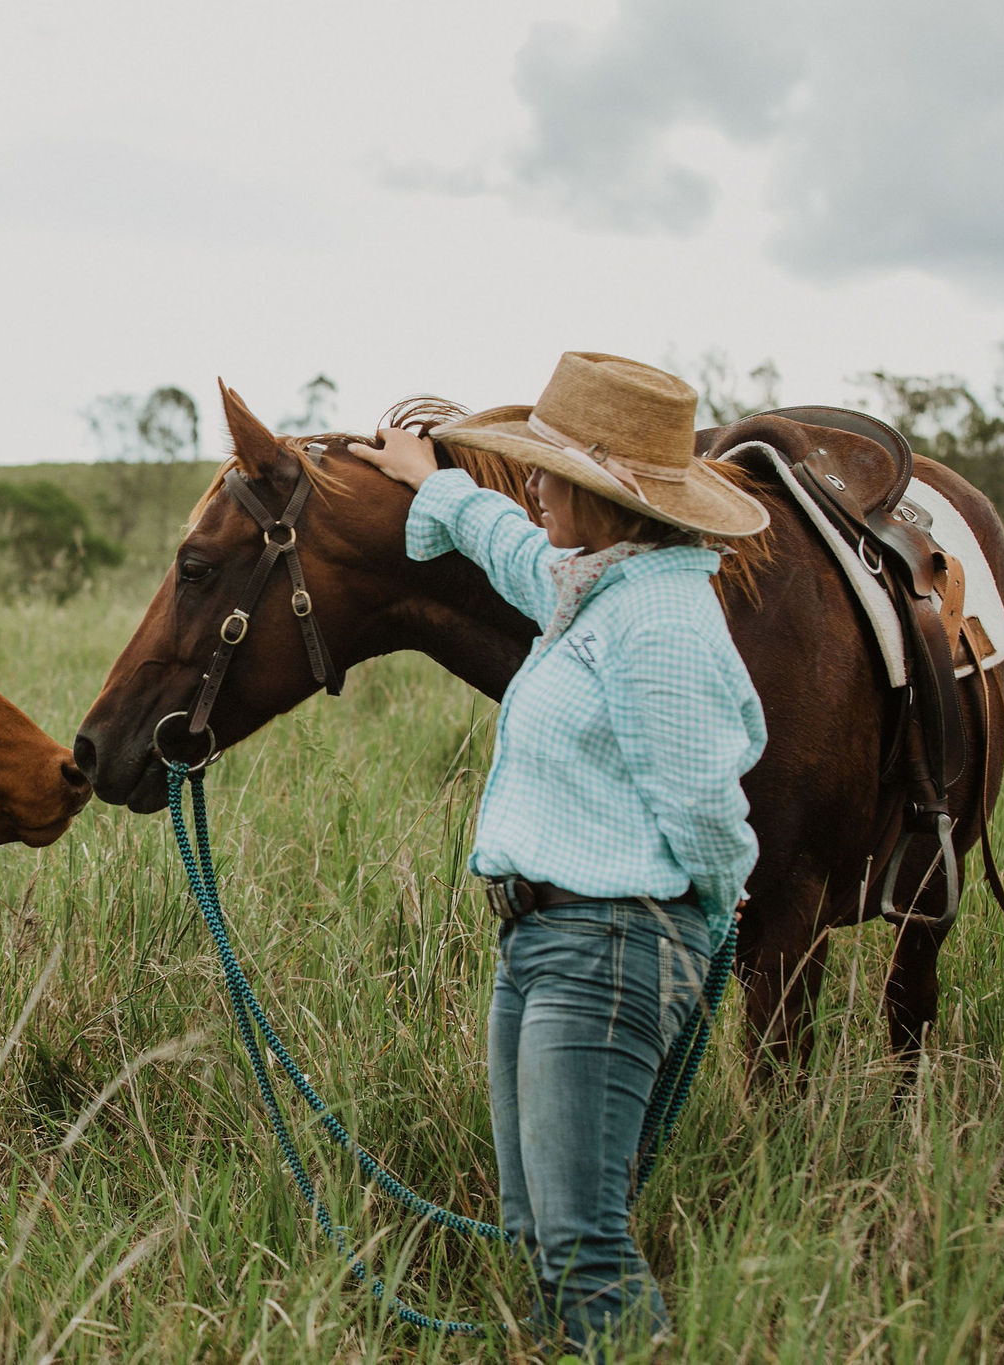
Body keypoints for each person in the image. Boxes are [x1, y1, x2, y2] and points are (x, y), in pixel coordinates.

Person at [348, 352, 770, 1357]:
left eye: (546, 470)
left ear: (606, 495)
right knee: (537, 1231)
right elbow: (511, 550)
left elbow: (703, 802)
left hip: (610, 945)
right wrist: (432, 479)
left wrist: (713, 916)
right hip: (547, 941)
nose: (529, 484)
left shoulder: (660, 619)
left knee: (582, 1243)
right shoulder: (597, 588)